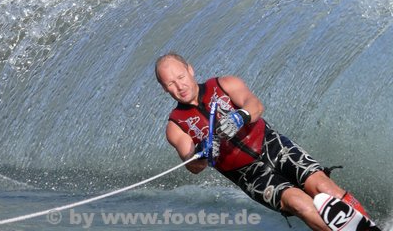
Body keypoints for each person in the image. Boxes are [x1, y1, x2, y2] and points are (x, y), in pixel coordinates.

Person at [155, 52, 373, 231]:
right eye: (171, 84)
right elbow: (191, 163)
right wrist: (203, 152)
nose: (180, 86)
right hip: (249, 174)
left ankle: (368, 225)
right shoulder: (176, 126)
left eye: (181, 77)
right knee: (297, 203)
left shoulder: (224, 84)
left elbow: (255, 105)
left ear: (190, 70)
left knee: (323, 188)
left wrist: (240, 116)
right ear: (165, 89)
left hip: (273, 146)